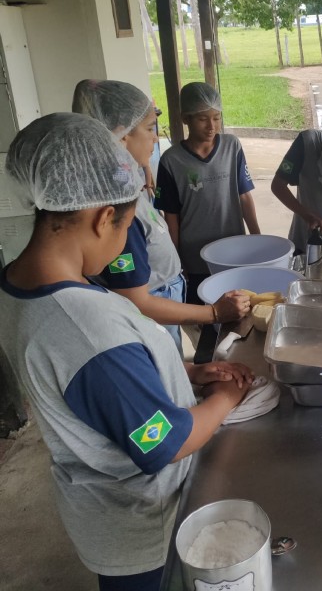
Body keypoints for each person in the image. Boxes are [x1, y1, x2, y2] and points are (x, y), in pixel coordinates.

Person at [0, 113, 252, 591]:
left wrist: (186, 372)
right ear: (102, 219)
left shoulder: (18, 282)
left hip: (98, 509)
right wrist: (225, 399)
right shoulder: (86, 328)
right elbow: (163, 441)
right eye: (126, 226)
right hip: (141, 526)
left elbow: (96, 385)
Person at [72, 80, 249, 354]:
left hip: (164, 298)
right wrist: (214, 313)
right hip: (155, 308)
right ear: (120, 136)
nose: (155, 138)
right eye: (149, 129)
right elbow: (136, 300)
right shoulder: (117, 212)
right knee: (166, 361)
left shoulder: (125, 185)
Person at [155, 82, 260, 305]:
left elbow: (244, 196)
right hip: (195, 258)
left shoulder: (232, 146)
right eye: (203, 119)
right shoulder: (171, 161)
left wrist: (257, 239)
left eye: (217, 118)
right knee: (204, 314)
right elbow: (171, 217)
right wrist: (177, 259)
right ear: (186, 119)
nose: (211, 126)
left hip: (234, 253)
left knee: (240, 310)